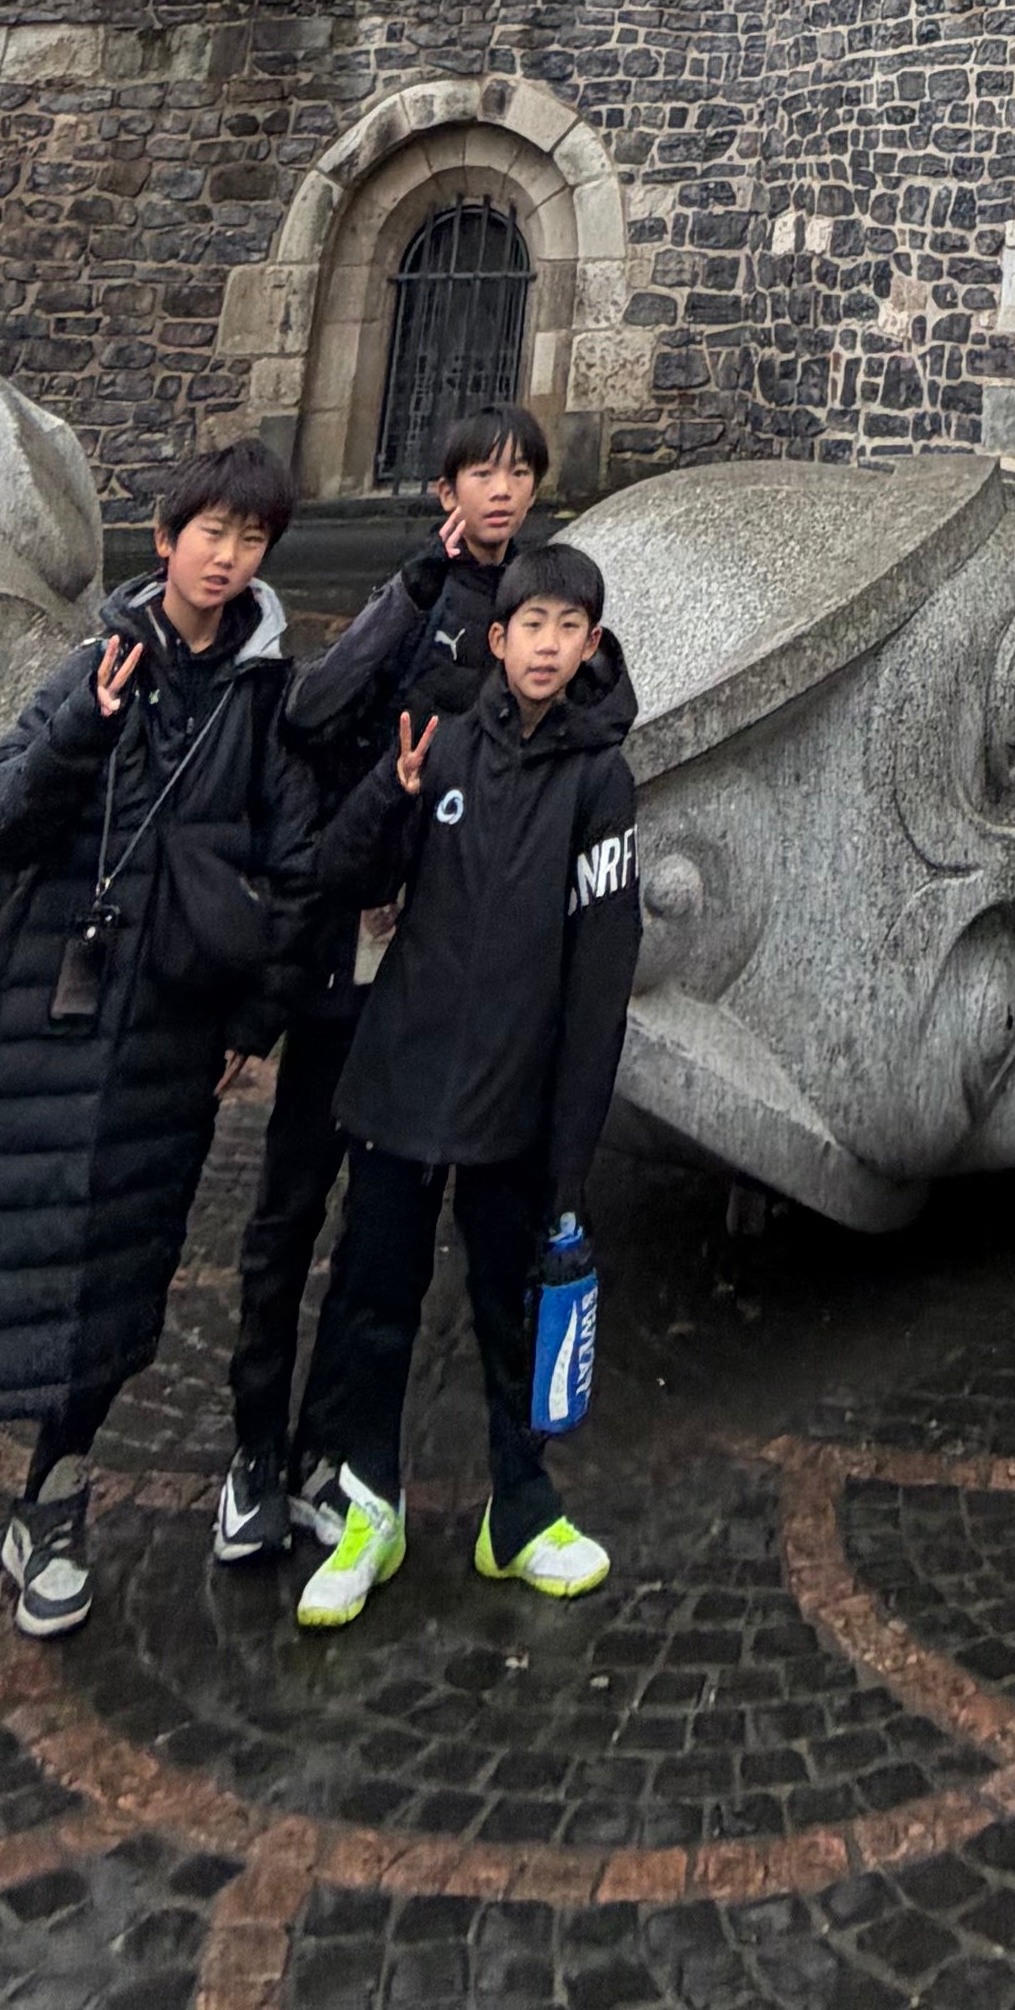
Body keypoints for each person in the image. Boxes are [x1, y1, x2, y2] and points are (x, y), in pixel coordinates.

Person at [0, 439, 304, 1703]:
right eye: (210, 533)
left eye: (250, 540)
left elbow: (293, 865)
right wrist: (78, 733)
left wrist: (253, 1018)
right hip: (37, 1020)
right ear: (166, 539)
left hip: (165, 1030)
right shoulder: (94, 660)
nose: (226, 559)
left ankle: (53, 1503)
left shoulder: (261, 700)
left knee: (120, 1264)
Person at [287, 539, 644, 1623]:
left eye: (568, 630)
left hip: (514, 1092)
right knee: (374, 1302)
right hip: (403, 1075)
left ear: (590, 644)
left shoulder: (600, 781)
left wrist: (572, 1150)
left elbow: (602, 974)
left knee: (510, 1307)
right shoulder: (435, 744)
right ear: (498, 638)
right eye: (531, 626)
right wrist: (387, 799)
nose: (547, 647)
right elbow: (340, 876)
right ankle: (368, 1506)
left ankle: (520, 1509)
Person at [220, 400, 546, 1562]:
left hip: (430, 959)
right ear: (445, 490)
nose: (500, 490)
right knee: (290, 1206)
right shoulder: (410, 591)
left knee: (379, 1231)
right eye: (480, 473)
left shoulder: (534, 612)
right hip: (340, 948)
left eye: (518, 472)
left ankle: (333, 1451)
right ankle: (254, 1451)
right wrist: (413, 593)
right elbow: (312, 714)